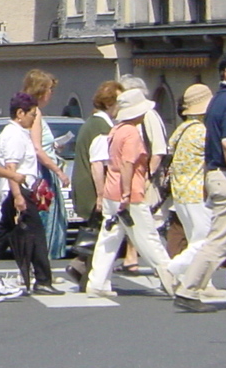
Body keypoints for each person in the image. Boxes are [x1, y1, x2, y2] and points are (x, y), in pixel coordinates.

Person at [87, 87, 176, 299]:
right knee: (148, 235)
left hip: (111, 189)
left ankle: (97, 281)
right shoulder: (132, 133)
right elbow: (128, 163)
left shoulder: (116, 130)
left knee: (109, 237)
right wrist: (127, 192)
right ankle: (170, 277)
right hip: (129, 192)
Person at [177, 55, 226, 311]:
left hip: (216, 175)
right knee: (219, 240)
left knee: (219, 237)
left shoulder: (217, 102)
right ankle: (189, 289)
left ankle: (189, 288)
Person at [0, 93, 60, 295]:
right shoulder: (13, 135)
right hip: (19, 190)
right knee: (36, 235)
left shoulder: (21, 132)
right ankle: (43, 280)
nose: (33, 118)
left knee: (2, 236)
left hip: (20, 189)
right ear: (20, 113)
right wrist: (19, 196)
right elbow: (11, 167)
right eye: (31, 114)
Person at [68, 80, 121, 289]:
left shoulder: (92, 123)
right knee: (100, 234)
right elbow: (97, 162)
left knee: (97, 232)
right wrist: (101, 194)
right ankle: (85, 272)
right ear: (109, 104)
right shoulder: (101, 127)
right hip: (92, 187)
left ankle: (83, 271)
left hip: (84, 184)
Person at [22, 70, 70, 262]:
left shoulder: (29, 111)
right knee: (47, 221)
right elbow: (37, 148)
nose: (51, 93)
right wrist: (59, 172)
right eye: (50, 89)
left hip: (39, 170)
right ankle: (41, 265)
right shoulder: (36, 113)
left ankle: (39, 266)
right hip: (43, 174)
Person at [165, 84, 212, 282]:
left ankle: (198, 281)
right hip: (196, 191)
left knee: (195, 238)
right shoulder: (201, 132)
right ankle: (172, 268)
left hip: (180, 192)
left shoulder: (182, 129)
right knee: (205, 241)